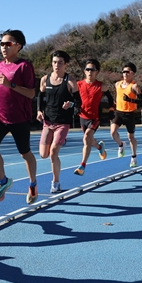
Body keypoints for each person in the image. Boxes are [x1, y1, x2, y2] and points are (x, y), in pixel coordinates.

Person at [0, 29, 38, 204]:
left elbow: (31, 94)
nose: (4, 47)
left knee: (25, 153)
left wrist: (11, 84)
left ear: (18, 46)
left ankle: (33, 184)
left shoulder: (24, 66)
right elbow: (0, 87)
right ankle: (3, 181)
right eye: (2, 44)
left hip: (19, 118)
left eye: (8, 44)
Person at [37, 50, 80, 194]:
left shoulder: (70, 81)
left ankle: (55, 183)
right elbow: (39, 97)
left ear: (66, 64)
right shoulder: (45, 79)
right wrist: (39, 111)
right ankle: (58, 140)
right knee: (43, 154)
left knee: (53, 153)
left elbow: (79, 102)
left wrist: (71, 104)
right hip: (48, 122)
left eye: (60, 62)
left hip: (63, 122)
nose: (57, 65)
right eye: (54, 62)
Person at [74, 58, 109, 176]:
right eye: (87, 69)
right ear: (84, 71)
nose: (90, 72)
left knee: (86, 138)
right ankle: (99, 147)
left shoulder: (101, 86)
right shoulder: (78, 84)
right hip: (83, 117)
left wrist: (111, 109)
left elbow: (110, 96)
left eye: (92, 70)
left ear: (97, 72)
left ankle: (82, 165)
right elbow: (72, 97)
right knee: (89, 140)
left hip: (95, 118)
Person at [110, 62, 141, 168]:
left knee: (131, 137)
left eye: (127, 72)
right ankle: (121, 145)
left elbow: (141, 102)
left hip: (129, 114)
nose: (125, 74)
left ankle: (134, 157)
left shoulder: (134, 86)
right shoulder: (117, 84)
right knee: (113, 132)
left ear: (132, 73)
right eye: (123, 72)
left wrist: (129, 100)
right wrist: (113, 106)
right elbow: (117, 97)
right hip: (118, 112)